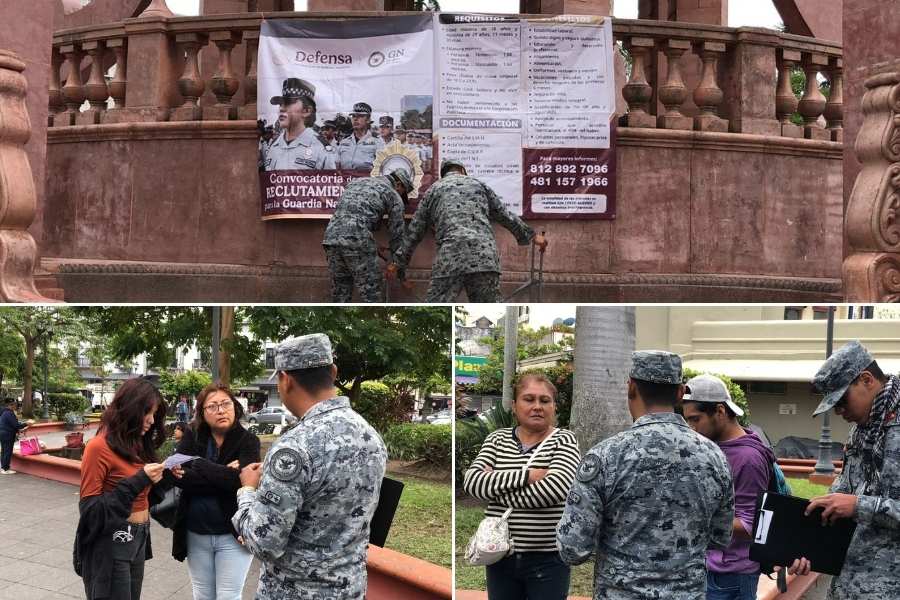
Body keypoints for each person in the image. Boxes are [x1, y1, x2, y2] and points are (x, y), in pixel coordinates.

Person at [556, 351, 735, 599]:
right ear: (680, 393)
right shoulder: (715, 457)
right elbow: (720, 537)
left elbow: (573, 548)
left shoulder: (605, 456)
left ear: (631, 388)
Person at [232, 333, 387, 600]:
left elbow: (263, 542)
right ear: (333, 372)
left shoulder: (294, 447)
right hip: (349, 590)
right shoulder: (370, 435)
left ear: (285, 380)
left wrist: (247, 490)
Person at [785, 340, 900, 599]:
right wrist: (806, 545)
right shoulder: (863, 429)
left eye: (841, 401)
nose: (838, 411)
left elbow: (854, 503)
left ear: (867, 379)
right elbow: (844, 493)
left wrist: (860, 506)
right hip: (848, 583)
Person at [464, 373, 581, 600]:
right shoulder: (497, 440)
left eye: (544, 401)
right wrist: (527, 476)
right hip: (500, 556)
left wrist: (496, 486)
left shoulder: (564, 440)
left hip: (549, 560)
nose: (537, 406)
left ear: (554, 407)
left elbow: (553, 490)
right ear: (514, 405)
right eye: (529, 399)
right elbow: (472, 482)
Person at [392, 159, 546, 302]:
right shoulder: (479, 185)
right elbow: (504, 215)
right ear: (463, 171)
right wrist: (532, 236)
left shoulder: (433, 191)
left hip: (450, 259)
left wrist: (397, 263)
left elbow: (414, 232)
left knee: (437, 310)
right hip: (484, 259)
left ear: (444, 173)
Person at [74, 377, 169, 600]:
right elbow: (90, 512)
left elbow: (143, 496)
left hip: (139, 537)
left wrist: (163, 478)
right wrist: (139, 479)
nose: (151, 420)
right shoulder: (98, 447)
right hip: (112, 541)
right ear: (132, 408)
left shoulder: (135, 444)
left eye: (155, 414)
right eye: (148, 413)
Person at [682, 374, 774, 600]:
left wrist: (692, 517)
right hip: (710, 567)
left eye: (696, 419)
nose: (691, 428)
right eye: (688, 421)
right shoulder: (713, 447)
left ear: (720, 411)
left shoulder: (747, 457)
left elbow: (751, 523)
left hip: (732, 575)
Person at [169, 383, 261, 600]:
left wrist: (198, 464)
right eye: (212, 406)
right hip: (195, 532)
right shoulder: (193, 436)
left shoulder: (249, 441)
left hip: (233, 534)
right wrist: (226, 474)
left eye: (225, 404)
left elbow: (243, 483)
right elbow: (175, 476)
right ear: (202, 412)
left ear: (235, 407)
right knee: (202, 594)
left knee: (228, 596)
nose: (220, 410)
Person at [322, 169, 413, 302]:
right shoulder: (393, 194)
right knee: (372, 294)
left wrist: (373, 245)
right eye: (402, 193)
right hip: (357, 239)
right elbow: (397, 238)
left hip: (330, 238)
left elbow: (351, 217)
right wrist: (401, 276)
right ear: (398, 184)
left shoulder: (356, 183)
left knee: (340, 292)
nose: (401, 196)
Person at [262, 78, 335, 171]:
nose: (281, 109)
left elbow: (331, 184)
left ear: (306, 111)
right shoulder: (273, 146)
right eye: (280, 104)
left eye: (288, 103)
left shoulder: (321, 148)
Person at [337, 102, 380, 171]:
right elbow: (336, 167)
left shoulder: (377, 142)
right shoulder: (343, 142)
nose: (355, 119)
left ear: (368, 120)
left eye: (360, 116)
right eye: (353, 116)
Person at [0, 398, 28, 474]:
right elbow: (16, 425)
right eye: (15, 405)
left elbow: (11, 424)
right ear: (10, 405)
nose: (16, 406)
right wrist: (27, 423)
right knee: (7, 451)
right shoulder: (9, 413)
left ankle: (3, 468)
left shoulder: (4, 412)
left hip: (3, 433)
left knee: (4, 450)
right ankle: (5, 468)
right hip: (7, 434)